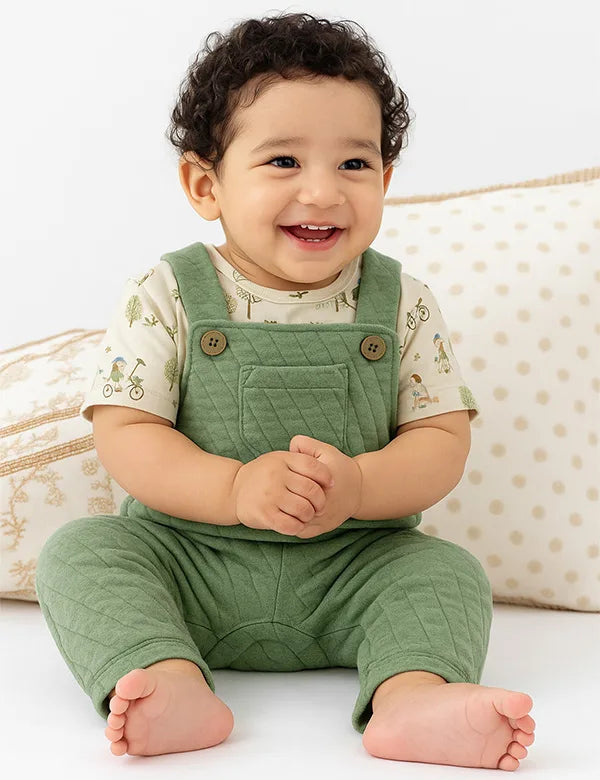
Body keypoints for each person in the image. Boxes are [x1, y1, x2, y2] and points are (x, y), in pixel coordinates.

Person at [35, 11, 535, 770]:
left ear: (386, 179)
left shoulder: (402, 303)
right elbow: (127, 434)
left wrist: (361, 483)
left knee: (445, 572)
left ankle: (411, 698)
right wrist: (234, 487)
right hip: (189, 561)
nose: (323, 191)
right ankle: (169, 678)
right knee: (81, 551)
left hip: (353, 567)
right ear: (205, 184)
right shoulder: (166, 292)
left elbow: (440, 441)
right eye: (282, 162)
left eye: (354, 165)